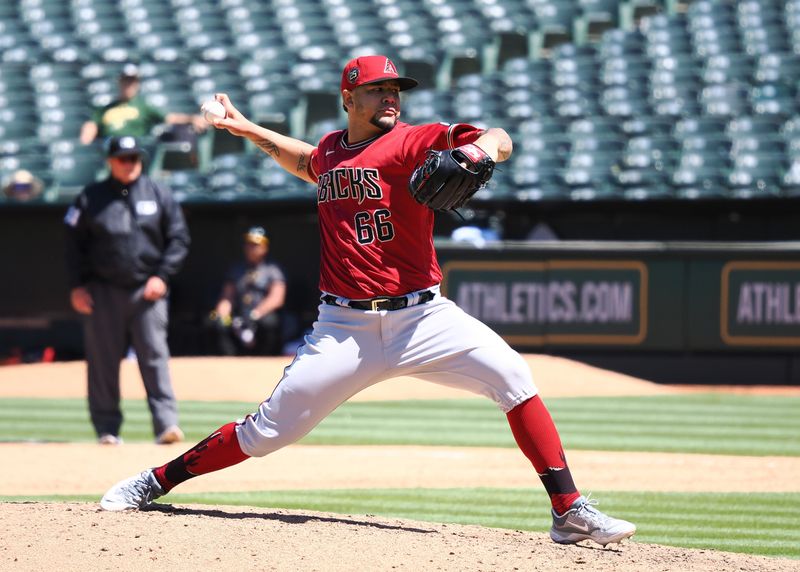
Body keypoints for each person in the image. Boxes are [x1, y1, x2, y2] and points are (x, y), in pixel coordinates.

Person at [100, 55, 636, 547]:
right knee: (264, 433)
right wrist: (243, 127)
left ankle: (569, 511)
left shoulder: (416, 140)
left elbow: (500, 138)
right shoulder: (333, 149)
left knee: (514, 379)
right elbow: (308, 160)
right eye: (378, 90)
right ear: (348, 98)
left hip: (425, 317)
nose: (390, 99)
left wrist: (480, 149)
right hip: (344, 328)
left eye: (395, 90)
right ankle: (153, 481)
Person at [64, 135, 191, 446]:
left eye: (135, 157)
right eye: (123, 158)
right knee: (102, 361)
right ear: (110, 162)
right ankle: (107, 428)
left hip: (147, 290)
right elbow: (72, 246)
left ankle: (166, 425)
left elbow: (178, 239)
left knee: (154, 356)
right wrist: (78, 286)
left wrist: (162, 275)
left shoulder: (158, 193)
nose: (130, 163)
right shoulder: (90, 197)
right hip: (103, 290)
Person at [79, 63, 207, 146]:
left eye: (132, 82)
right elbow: (92, 125)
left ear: (137, 84)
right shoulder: (106, 109)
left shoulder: (143, 106)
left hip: (134, 148)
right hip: (110, 147)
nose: (128, 85)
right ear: (119, 82)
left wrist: (191, 118)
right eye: (126, 81)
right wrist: (86, 139)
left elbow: (169, 118)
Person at [209, 226, 287, 356]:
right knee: (218, 322)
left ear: (264, 247)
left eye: (255, 245)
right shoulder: (236, 269)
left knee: (269, 323)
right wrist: (223, 312)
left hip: (260, 316)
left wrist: (256, 314)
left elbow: (277, 298)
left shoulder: (272, 269)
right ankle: (229, 361)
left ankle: (265, 360)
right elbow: (227, 297)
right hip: (238, 318)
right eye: (248, 244)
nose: (250, 248)